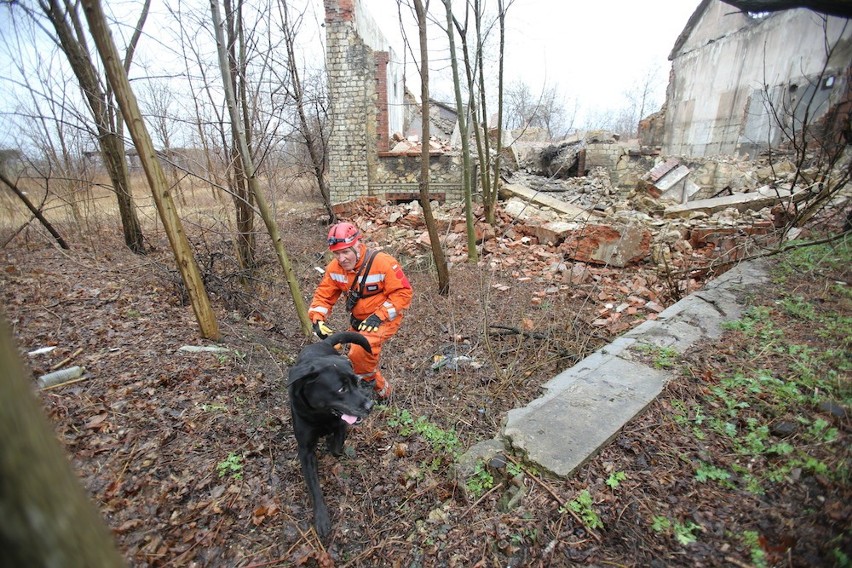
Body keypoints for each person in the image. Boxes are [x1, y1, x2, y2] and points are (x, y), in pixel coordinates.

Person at [308, 222, 413, 399]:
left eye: (346, 251)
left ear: (358, 244)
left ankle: (371, 391)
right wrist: (317, 319)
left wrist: (380, 315)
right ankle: (384, 392)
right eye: (336, 253)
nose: (341, 259)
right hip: (359, 322)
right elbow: (323, 296)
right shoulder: (334, 268)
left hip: (384, 319)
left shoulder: (382, 262)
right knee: (353, 358)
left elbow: (403, 293)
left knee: (358, 353)